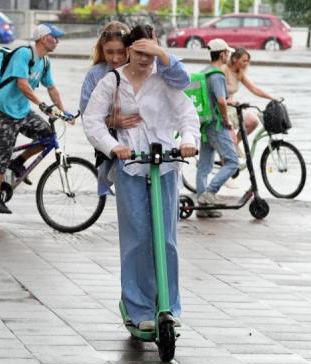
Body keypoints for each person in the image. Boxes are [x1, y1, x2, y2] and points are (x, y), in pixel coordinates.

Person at [83, 25, 199, 331]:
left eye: (151, 52)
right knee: (137, 238)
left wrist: (188, 139)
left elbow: (188, 114)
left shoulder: (165, 80)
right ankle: (138, 308)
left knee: (167, 239)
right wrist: (114, 146)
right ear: (128, 50)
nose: (146, 59)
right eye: (139, 52)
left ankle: (168, 306)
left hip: (166, 164)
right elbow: (91, 120)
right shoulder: (113, 81)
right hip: (131, 165)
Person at [79, 21, 190, 195]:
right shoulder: (98, 75)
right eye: (109, 52)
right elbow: (89, 115)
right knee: (131, 209)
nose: (115, 58)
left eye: (121, 52)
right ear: (102, 51)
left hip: (159, 152)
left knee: (164, 212)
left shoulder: (155, 71)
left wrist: (159, 51)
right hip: (120, 147)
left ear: (129, 49)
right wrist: (112, 122)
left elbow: (182, 83)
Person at [0, 23, 75, 214]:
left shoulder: (45, 62)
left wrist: (63, 112)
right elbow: (22, 83)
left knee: (46, 136)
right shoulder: (24, 54)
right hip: (3, 110)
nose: (57, 41)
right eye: (55, 37)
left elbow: (51, 88)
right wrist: (41, 104)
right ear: (43, 38)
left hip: (22, 111)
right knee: (3, 151)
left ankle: (18, 163)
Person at [195, 38, 240, 218]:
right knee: (232, 161)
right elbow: (221, 101)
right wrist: (227, 120)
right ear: (222, 54)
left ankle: (203, 206)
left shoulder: (204, 72)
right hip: (216, 124)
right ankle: (210, 192)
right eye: (227, 53)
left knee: (204, 166)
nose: (228, 56)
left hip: (204, 124)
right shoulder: (217, 74)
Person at [221, 47, 275, 142]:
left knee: (253, 121)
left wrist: (272, 98)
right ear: (234, 59)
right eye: (244, 61)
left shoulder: (239, 72)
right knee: (230, 139)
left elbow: (254, 89)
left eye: (248, 61)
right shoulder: (224, 69)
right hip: (222, 107)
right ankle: (232, 146)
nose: (246, 63)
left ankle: (236, 144)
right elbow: (217, 92)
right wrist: (230, 101)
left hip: (232, 107)